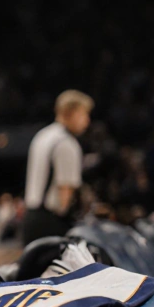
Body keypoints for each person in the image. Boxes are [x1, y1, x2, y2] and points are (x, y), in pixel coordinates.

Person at [22, 90, 92, 243]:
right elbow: (65, 191)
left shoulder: (42, 135)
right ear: (71, 113)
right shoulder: (66, 143)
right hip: (50, 222)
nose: (87, 121)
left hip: (30, 218)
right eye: (84, 114)